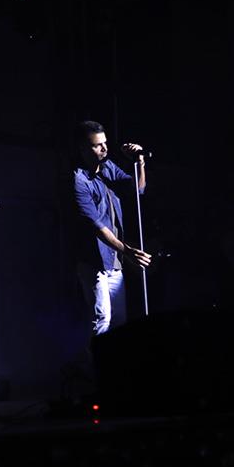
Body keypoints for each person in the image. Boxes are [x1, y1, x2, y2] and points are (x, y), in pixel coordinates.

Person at [71, 120, 152, 339]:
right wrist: (128, 250)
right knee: (102, 319)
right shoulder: (79, 180)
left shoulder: (108, 168)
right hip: (94, 261)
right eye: (97, 145)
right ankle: (95, 360)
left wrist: (139, 162)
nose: (104, 148)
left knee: (119, 321)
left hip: (114, 260)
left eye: (105, 143)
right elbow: (97, 226)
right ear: (83, 149)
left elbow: (138, 189)